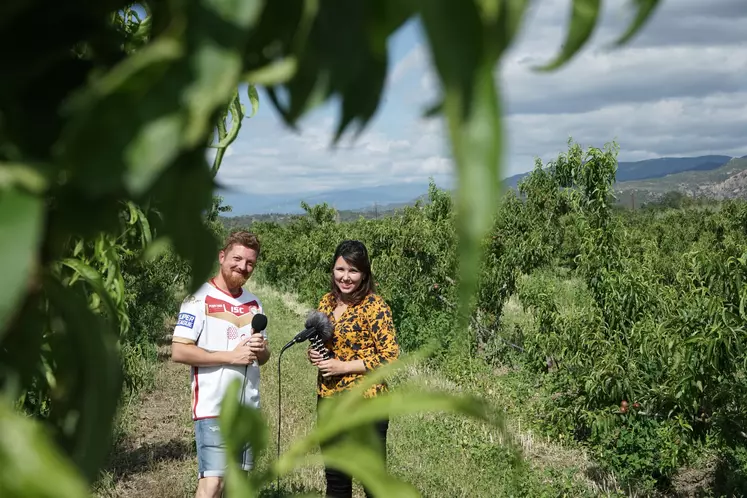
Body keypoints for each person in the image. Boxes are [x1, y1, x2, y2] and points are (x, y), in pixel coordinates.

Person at [171, 230, 271, 498]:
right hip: (213, 407)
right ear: (222, 256)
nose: (243, 267)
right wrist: (229, 356)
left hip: (247, 410)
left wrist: (262, 350)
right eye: (237, 259)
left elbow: (263, 356)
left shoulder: (254, 303)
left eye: (250, 263)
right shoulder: (198, 298)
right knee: (212, 485)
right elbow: (179, 351)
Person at [307, 240, 400, 498]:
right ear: (333, 270)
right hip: (328, 399)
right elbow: (323, 343)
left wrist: (342, 367)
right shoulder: (326, 302)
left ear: (364, 274)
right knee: (336, 479)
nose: (345, 277)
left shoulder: (375, 307)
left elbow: (390, 357)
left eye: (353, 271)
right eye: (340, 269)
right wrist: (314, 354)